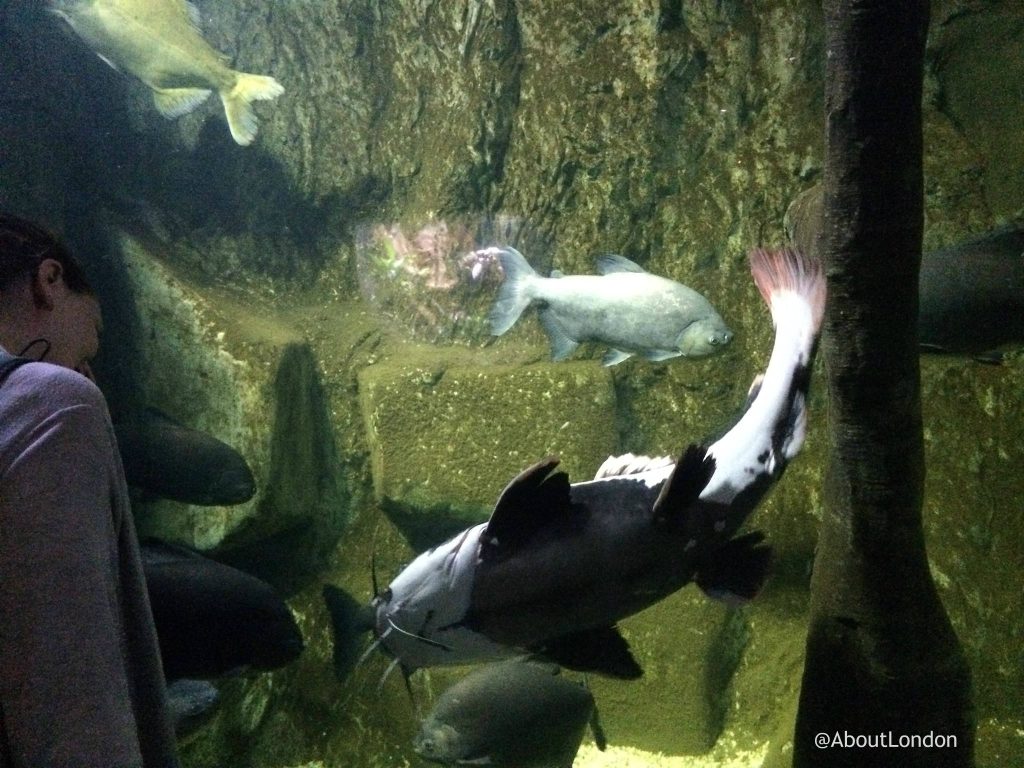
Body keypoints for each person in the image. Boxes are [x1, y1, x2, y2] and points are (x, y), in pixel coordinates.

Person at [0, 214, 178, 767]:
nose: (88, 373)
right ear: (48, 281)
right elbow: (71, 698)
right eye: (91, 343)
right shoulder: (52, 402)